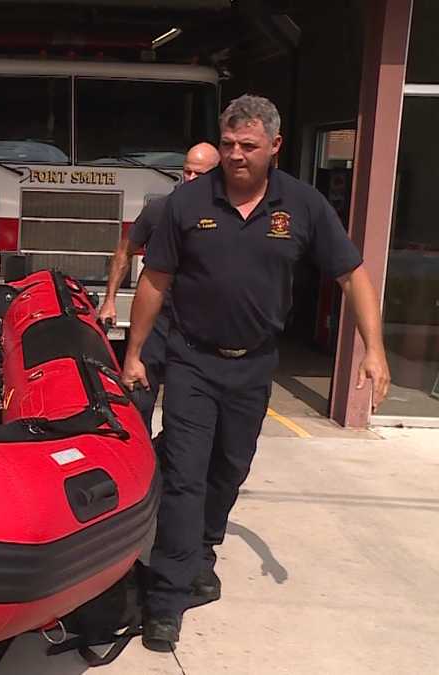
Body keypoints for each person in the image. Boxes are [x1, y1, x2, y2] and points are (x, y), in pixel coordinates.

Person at [119, 95, 391, 651]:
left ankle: (203, 552)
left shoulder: (305, 205)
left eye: (248, 146)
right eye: (227, 144)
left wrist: (375, 349)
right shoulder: (188, 202)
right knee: (187, 476)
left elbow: (353, 275)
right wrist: (134, 350)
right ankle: (166, 601)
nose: (236, 155)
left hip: (256, 364)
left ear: (275, 146)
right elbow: (155, 281)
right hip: (192, 359)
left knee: (229, 469)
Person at [100, 142, 220, 434]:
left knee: (190, 407)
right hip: (156, 319)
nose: (190, 180)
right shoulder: (161, 209)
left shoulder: (228, 218)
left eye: (199, 175)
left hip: (200, 324)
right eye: (187, 172)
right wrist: (110, 300)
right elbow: (123, 253)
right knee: (140, 392)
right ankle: (139, 452)